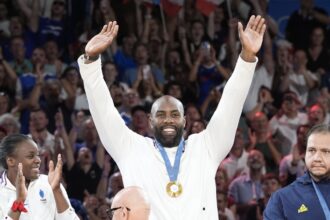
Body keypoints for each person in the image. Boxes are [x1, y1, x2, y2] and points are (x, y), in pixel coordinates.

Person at [78, 16, 266, 219]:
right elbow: (103, 111)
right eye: (161, 114)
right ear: (151, 122)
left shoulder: (206, 147)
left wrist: (246, 57)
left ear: (185, 121)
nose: (168, 119)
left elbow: (231, 102)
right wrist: (91, 63)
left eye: (175, 114)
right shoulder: (131, 149)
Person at [0, 134, 78, 219]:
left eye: (38, 155)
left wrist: (57, 191)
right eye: (30, 156)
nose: (38, 160)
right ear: (11, 161)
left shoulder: (49, 183)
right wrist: (19, 201)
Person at [264, 124, 330, 220]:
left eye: (325, 151)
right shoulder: (281, 198)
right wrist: (294, 164)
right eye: (312, 150)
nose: (317, 158)